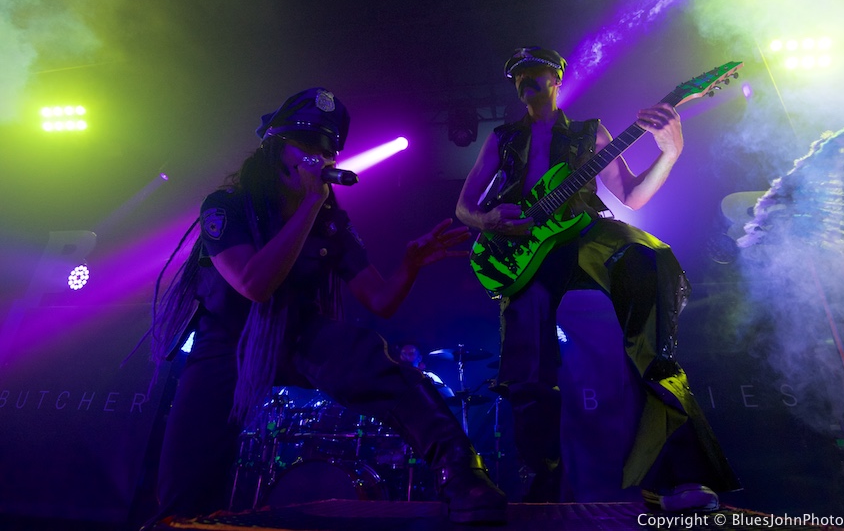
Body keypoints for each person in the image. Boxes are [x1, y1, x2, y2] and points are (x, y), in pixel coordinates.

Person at [148, 87, 506, 526]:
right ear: (276, 148)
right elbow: (253, 284)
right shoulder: (227, 206)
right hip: (225, 339)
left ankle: (462, 472)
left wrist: (410, 265)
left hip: (297, 333)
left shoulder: (331, 221)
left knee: (373, 361)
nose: (319, 156)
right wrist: (311, 204)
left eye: (328, 147)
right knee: (184, 486)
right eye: (306, 144)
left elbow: (380, 300)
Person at [454, 47, 739, 509]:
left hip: (584, 233)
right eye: (518, 74)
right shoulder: (502, 138)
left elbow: (631, 195)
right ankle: (543, 485)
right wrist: (487, 222)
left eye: (537, 71)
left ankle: (680, 473)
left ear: (557, 77)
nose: (526, 78)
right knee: (528, 371)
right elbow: (463, 207)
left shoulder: (591, 133)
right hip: (520, 249)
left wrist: (671, 151)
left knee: (650, 261)